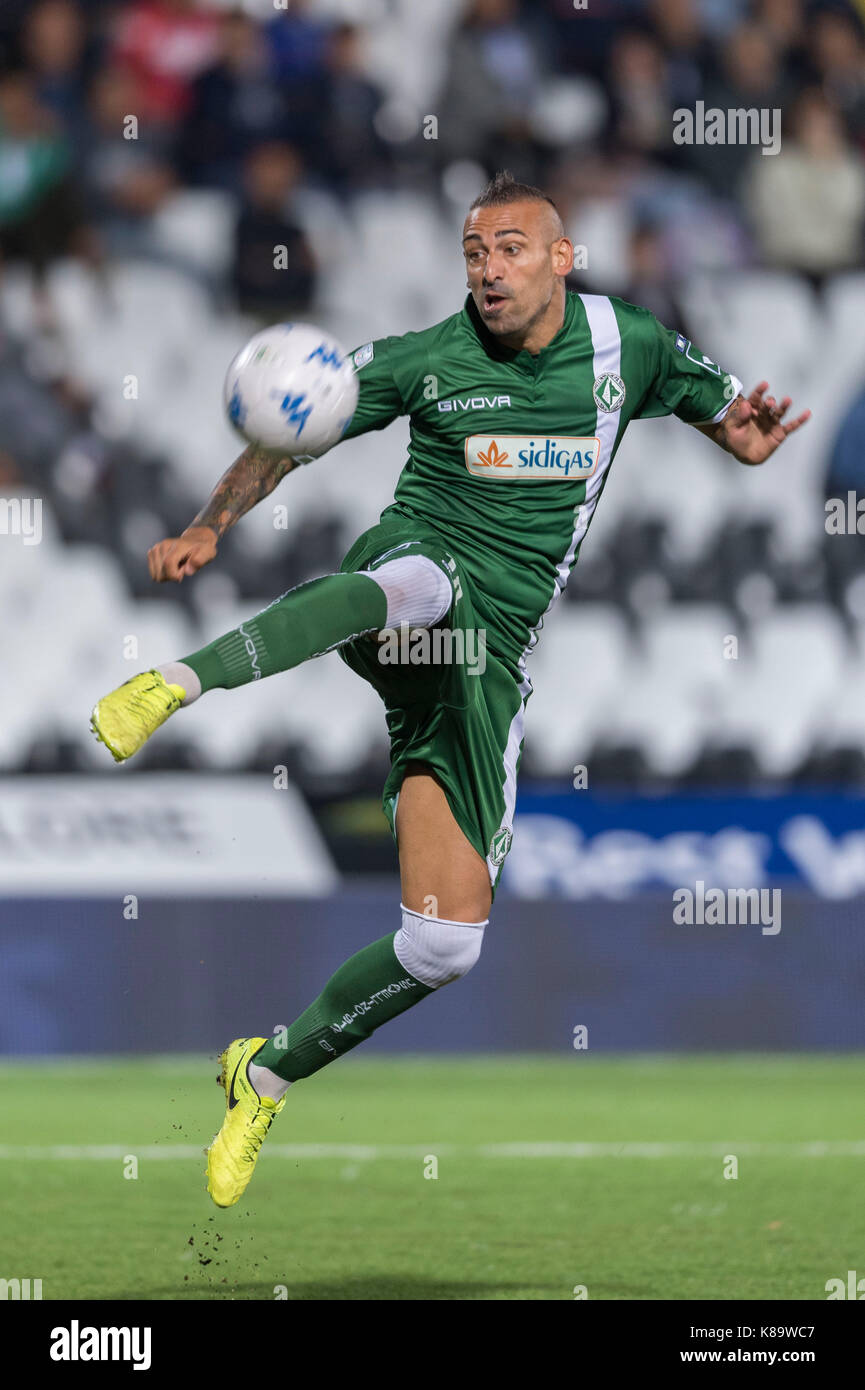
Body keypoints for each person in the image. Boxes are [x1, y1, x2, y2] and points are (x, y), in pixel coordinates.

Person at [90, 172, 810, 1208]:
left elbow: (726, 419)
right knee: (416, 581)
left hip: (485, 664)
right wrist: (212, 522)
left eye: (510, 248)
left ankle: (262, 1076)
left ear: (562, 258)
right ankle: (173, 681)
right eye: (474, 252)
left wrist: (744, 439)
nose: (487, 270)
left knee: (444, 943)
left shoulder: (628, 345)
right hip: (413, 580)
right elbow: (288, 439)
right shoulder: (428, 361)